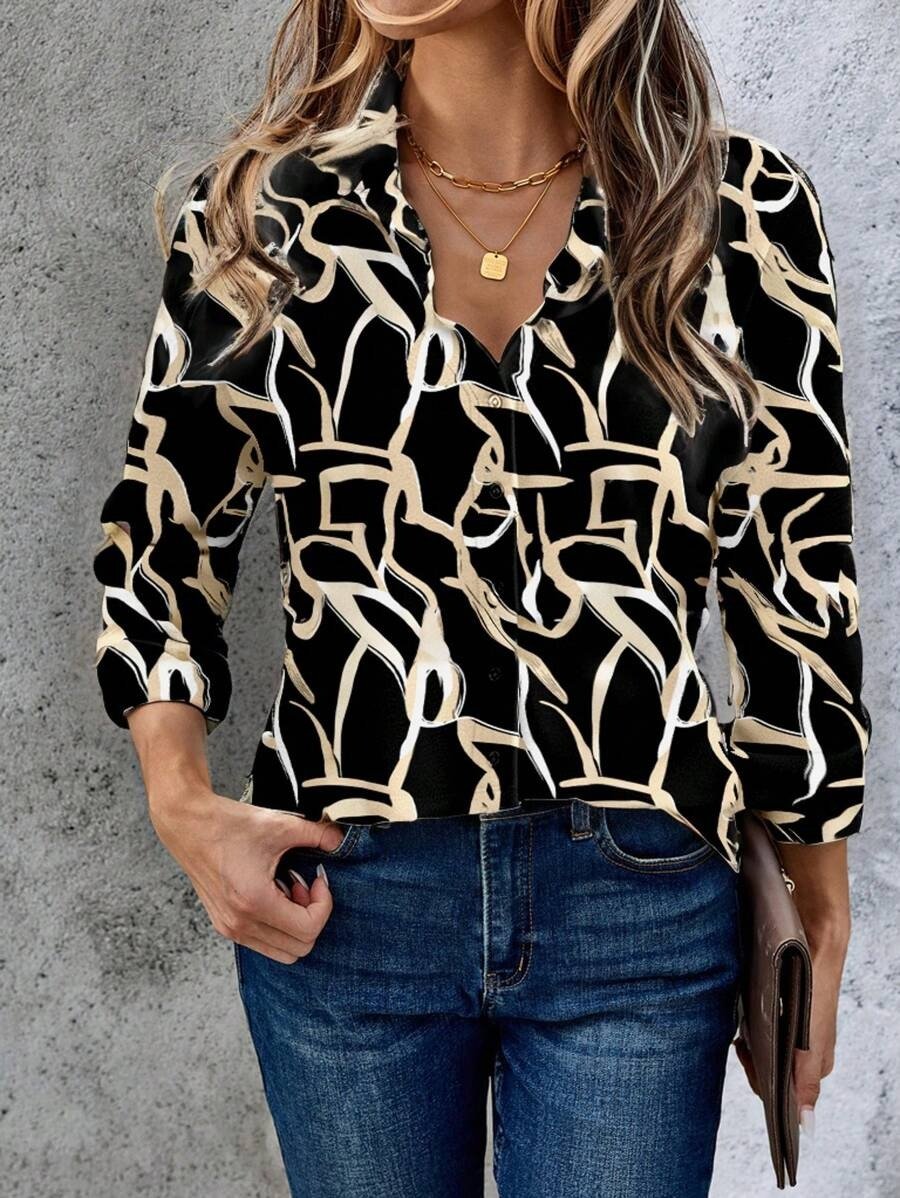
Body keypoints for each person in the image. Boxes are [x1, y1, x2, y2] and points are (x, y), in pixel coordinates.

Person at [91, 0, 872, 1194]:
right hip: (345, 899)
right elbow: (163, 538)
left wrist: (817, 915)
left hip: (639, 899)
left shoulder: (736, 210)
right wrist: (180, 803)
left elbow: (796, 578)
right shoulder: (261, 214)